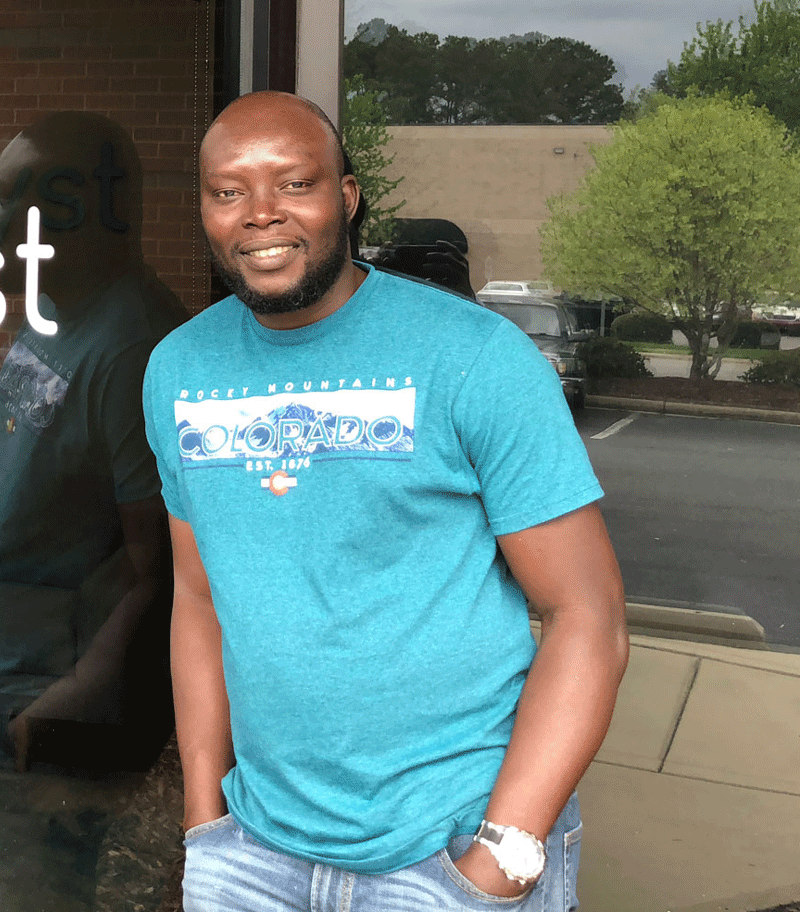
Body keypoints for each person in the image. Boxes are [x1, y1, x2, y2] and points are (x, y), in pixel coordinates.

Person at [140, 91, 629, 911]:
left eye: (295, 184)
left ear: (347, 197)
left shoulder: (474, 357)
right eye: (228, 191)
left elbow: (589, 616)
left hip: (450, 846)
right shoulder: (179, 369)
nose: (260, 213)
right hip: (253, 851)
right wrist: (205, 822)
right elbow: (198, 597)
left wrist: (502, 857)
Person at [0, 111, 188, 912]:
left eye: (7, 196)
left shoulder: (136, 348)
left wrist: (73, 699)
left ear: (73, 208)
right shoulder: (57, 313)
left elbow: (163, 561)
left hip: (39, 710)